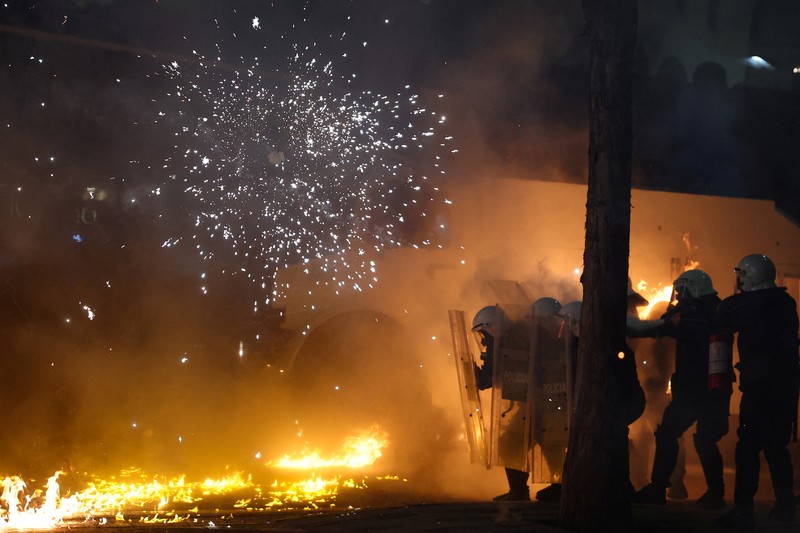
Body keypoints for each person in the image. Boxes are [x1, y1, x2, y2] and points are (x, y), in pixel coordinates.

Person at [628, 269, 732, 509]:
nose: (677, 295)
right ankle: (716, 493)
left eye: (680, 290)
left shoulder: (686, 316)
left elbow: (659, 329)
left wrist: (632, 326)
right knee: (705, 439)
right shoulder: (720, 311)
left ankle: (657, 488)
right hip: (717, 387)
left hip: (693, 389)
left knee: (667, 433)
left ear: (691, 289)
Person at [716, 254, 799, 529]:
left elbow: (724, 313)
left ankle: (743, 511)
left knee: (748, 448)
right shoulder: (786, 302)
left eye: (741, 275)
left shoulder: (749, 304)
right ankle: (785, 506)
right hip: (784, 387)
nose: (739, 279)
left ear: (750, 276)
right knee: (777, 447)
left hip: (761, 388)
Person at [471, 305, 531, 501]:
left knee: (510, 444)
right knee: (547, 443)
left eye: (484, 333)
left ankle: (519, 491)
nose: (483, 339)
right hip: (537, 402)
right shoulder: (520, 337)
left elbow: (485, 381)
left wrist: (469, 366)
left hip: (529, 404)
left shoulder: (501, 347)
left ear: (492, 327)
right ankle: (557, 488)